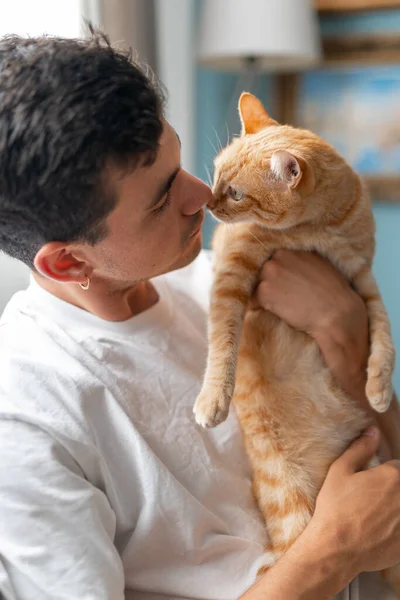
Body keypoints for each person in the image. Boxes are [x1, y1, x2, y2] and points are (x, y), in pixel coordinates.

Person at [0, 31, 400, 600]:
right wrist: (336, 548)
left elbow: (382, 447)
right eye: (163, 199)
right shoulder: (28, 417)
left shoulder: (235, 277)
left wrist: (347, 336)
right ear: (67, 262)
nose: (202, 196)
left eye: (181, 162)